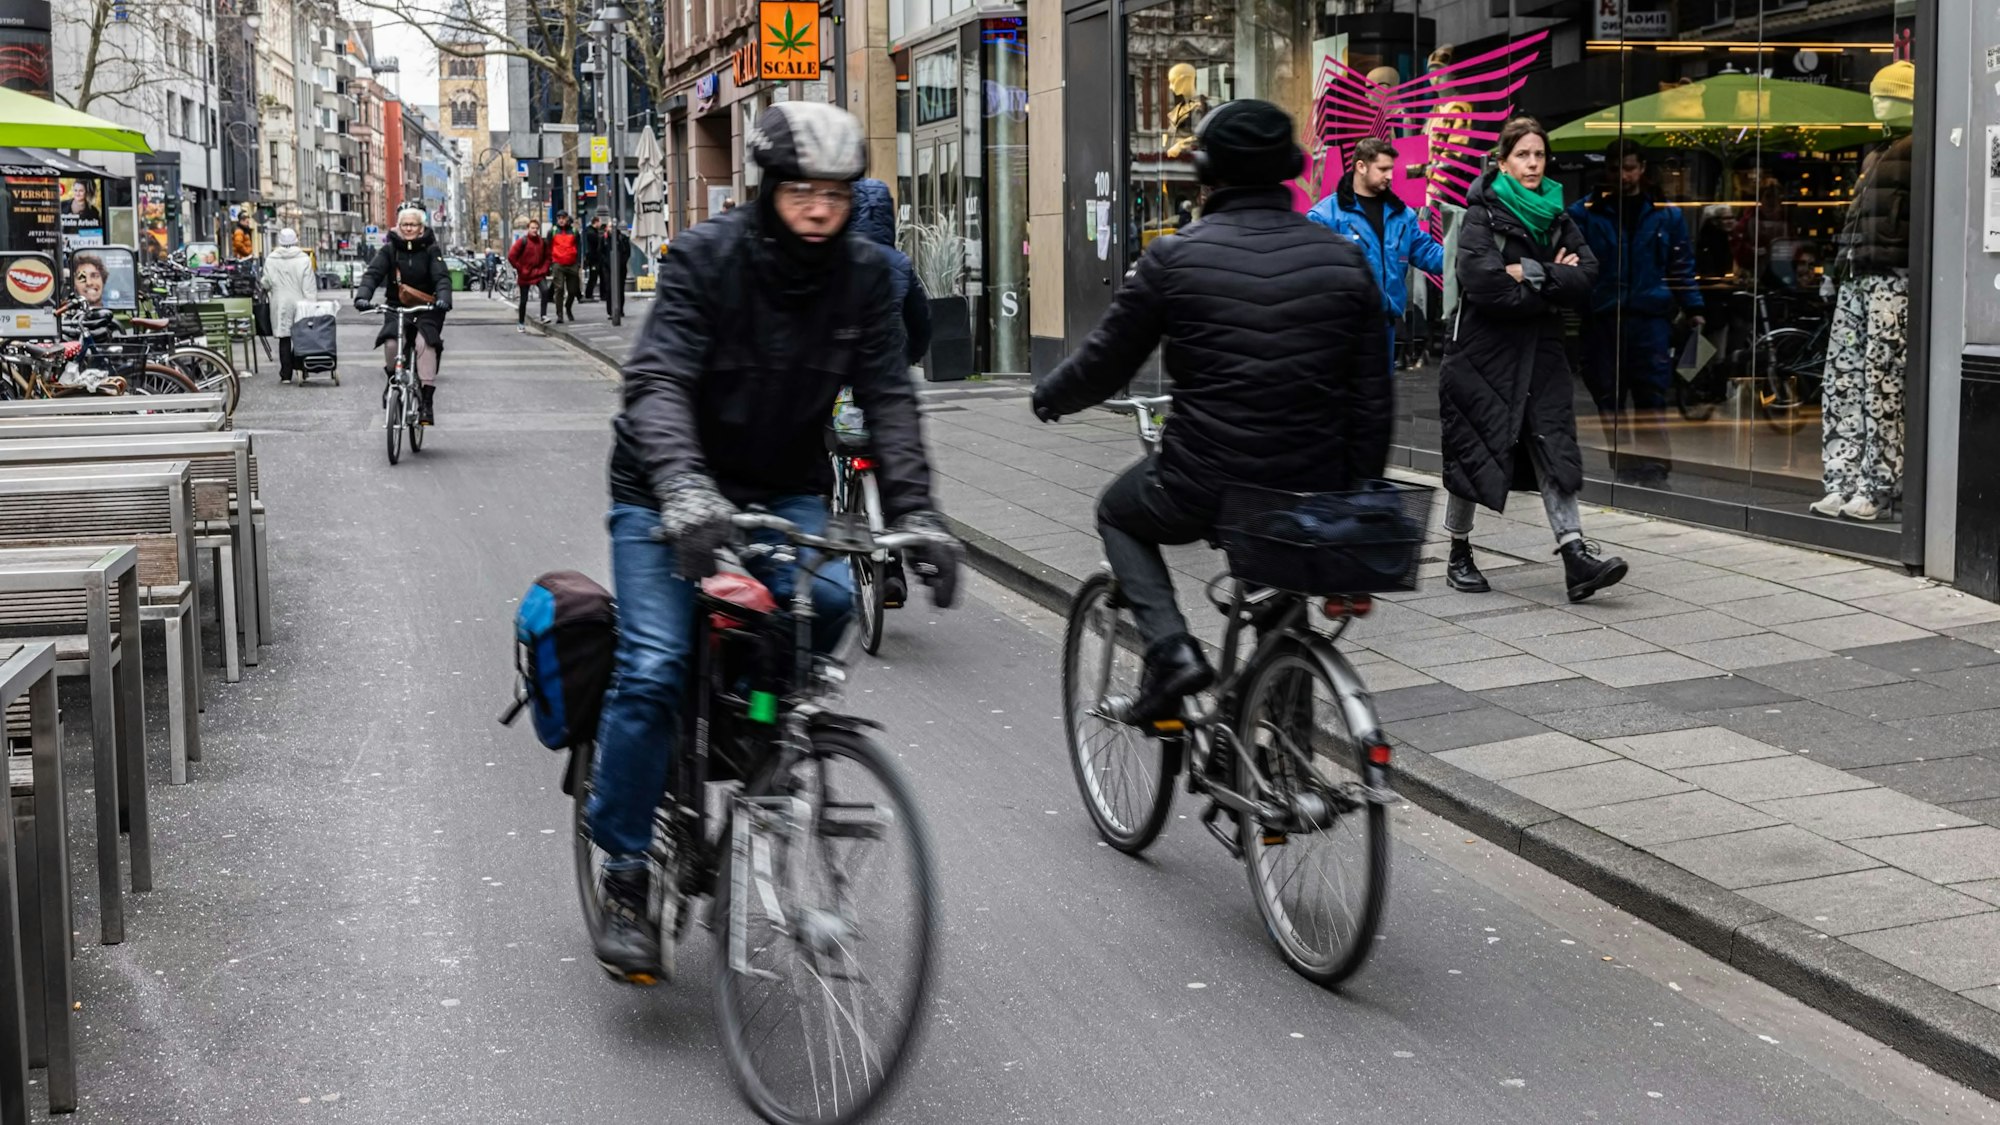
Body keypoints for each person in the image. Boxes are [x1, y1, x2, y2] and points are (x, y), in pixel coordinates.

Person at [586, 101, 961, 984]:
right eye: (804, 192)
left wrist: (919, 514)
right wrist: (682, 489)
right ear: (768, 188)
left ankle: (759, 746)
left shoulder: (866, 278)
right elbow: (661, 378)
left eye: (837, 193)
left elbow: (890, 399)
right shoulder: (705, 259)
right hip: (661, 486)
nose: (822, 209)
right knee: (652, 664)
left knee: (825, 601)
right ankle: (628, 874)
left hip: (781, 484)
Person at [1031, 99, 1393, 722]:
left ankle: (1172, 653)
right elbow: (1372, 395)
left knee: (1118, 513)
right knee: (1281, 588)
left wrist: (1052, 395)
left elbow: (1107, 362)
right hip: (1311, 483)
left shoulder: (1175, 258)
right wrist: (1355, 487)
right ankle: (1282, 780)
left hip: (1206, 481)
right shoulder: (1342, 257)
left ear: (1206, 176)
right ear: (1285, 172)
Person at [1437, 115, 1627, 602]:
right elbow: (1486, 286)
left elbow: (1587, 275)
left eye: (1539, 154)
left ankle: (1574, 556)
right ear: (1502, 162)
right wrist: (1549, 286)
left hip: (1541, 352)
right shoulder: (1481, 215)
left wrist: (1534, 275)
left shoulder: (1558, 215)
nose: (1533, 163)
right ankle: (1458, 551)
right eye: (1522, 155)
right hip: (1483, 352)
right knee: (1474, 447)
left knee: (1552, 441)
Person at [1569, 139, 1703, 486]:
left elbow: (1680, 264)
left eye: (1629, 168)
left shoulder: (1665, 214)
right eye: (1616, 169)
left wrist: (1693, 307)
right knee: (1608, 398)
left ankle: (1653, 465)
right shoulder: (1584, 212)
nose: (1623, 176)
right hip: (1604, 319)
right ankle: (1626, 465)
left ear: (1642, 168)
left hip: (1647, 319)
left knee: (1651, 396)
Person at [1307, 136, 1446, 373]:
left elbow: (1428, 253)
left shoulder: (1402, 216)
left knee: (1377, 400)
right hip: (1342, 327)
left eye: (1391, 169)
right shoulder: (1325, 216)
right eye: (1382, 169)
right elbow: (1312, 277)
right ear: (1361, 166)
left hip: (1385, 327)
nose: (1390, 176)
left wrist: (1470, 256)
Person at [355, 206, 453, 425]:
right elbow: (373, 274)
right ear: (399, 227)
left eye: (413, 224)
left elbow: (442, 278)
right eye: (405, 224)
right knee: (391, 343)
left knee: (424, 344)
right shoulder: (390, 251)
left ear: (421, 228)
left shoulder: (431, 250)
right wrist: (363, 296)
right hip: (397, 307)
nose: (409, 228)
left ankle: (426, 402)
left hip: (428, 308)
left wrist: (443, 299)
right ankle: (392, 381)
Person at [261, 228, 318, 383]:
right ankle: (301, 368)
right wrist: (311, 304)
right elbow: (309, 286)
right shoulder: (304, 259)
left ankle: (285, 374)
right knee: (300, 336)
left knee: (284, 338)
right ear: (296, 240)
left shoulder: (271, 259)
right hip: (300, 301)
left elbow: (266, 282)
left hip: (280, 302)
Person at [508, 220, 553, 331]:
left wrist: (544, 268)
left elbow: (548, 257)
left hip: (538, 272)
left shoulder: (542, 242)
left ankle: (543, 315)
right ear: (528, 228)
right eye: (532, 228)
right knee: (523, 300)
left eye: (536, 228)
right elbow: (511, 256)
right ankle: (521, 322)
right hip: (525, 274)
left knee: (545, 290)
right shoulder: (522, 241)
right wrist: (520, 268)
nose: (534, 230)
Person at [548, 212, 582, 322]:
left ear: (567, 219)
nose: (561, 220)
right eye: (559, 218)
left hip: (572, 263)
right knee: (559, 289)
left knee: (572, 290)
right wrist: (550, 263)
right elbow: (548, 248)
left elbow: (579, 247)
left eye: (563, 218)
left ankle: (568, 307)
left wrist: (578, 263)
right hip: (558, 263)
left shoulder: (574, 232)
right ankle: (559, 315)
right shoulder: (552, 231)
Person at [582, 214, 606, 302]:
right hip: (593, 259)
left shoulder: (593, 231)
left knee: (602, 276)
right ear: (596, 222)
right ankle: (589, 294)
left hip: (597, 258)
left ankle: (602, 294)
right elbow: (597, 242)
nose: (600, 224)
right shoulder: (591, 232)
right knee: (593, 277)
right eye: (600, 222)